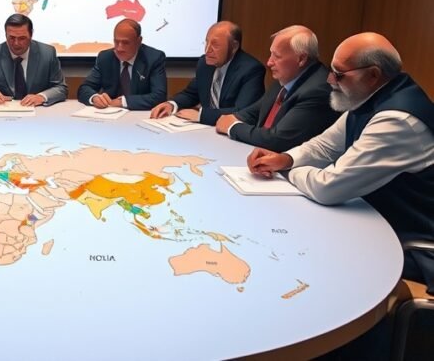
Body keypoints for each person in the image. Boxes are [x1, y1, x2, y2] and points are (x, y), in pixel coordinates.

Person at [248, 33, 434, 297]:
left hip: (410, 244)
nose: (330, 80)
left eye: (339, 74)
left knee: (307, 266)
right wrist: (285, 158)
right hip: (379, 221)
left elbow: (328, 188)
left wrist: (289, 171)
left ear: (372, 75)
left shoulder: (397, 120)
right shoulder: (370, 98)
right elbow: (325, 146)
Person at [215, 25, 339, 151]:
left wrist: (233, 127)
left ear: (301, 59)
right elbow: (254, 112)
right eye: (271, 54)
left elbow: (278, 139)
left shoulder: (318, 90)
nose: (269, 62)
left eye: (277, 56)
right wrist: (234, 118)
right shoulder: (287, 76)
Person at [150, 21, 264, 125]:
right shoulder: (204, 64)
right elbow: (191, 94)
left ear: (234, 47)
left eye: (215, 45)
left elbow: (243, 112)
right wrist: (172, 104)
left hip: (233, 132)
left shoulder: (251, 70)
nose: (207, 50)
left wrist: (201, 115)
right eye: (206, 42)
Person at [0, 13, 68, 106]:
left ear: (31, 35)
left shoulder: (47, 53)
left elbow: (61, 88)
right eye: (11, 38)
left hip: (38, 111)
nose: (16, 43)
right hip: (4, 111)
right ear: (5, 35)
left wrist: (41, 97)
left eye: (22, 38)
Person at [77, 18, 166, 110]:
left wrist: (124, 102)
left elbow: (159, 96)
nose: (119, 48)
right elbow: (84, 88)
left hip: (139, 114)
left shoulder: (154, 58)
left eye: (125, 43)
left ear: (139, 41)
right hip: (109, 114)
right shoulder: (105, 58)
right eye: (116, 42)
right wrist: (94, 98)